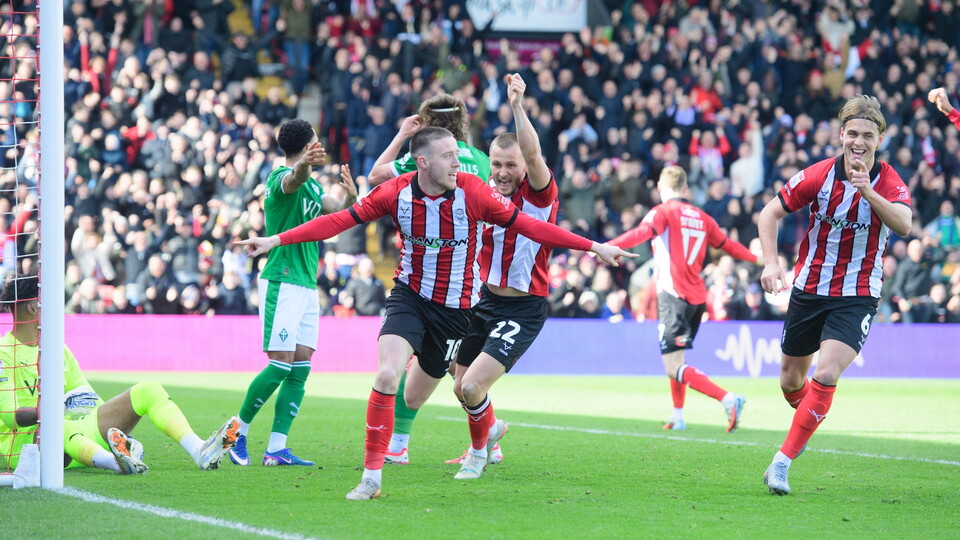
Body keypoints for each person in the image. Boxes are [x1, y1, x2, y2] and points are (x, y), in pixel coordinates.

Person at [236, 126, 634, 500]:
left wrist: (592, 246)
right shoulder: (395, 191)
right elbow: (338, 221)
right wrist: (275, 238)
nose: (458, 165)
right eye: (449, 157)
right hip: (409, 296)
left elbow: (531, 226)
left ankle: (485, 436)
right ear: (423, 162)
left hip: (456, 311)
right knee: (387, 374)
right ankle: (371, 477)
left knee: (438, 391)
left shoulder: (474, 192)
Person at [757, 95, 912, 495]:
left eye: (869, 136)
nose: (859, 142)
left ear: (880, 140)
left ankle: (781, 461)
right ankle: (808, 420)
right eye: (853, 133)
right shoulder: (819, 175)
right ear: (841, 134)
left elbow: (905, 224)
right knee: (791, 382)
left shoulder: (889, 181)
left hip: (857, 294)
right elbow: (768, 214)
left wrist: (868, 192)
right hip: (808, 288)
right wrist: (771, 263)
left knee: (825, 374)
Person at [0, 271, 239, 474]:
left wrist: (112, 430)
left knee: (149, 390)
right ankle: (117, 462)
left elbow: (87, 398)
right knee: (60, 425)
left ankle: (200, 451)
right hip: (24, 444)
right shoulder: (4, 354)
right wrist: (53, 407)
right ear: (32, 308)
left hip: (73, 434)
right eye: (47, 300)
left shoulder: (56, 349)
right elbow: (12, 418)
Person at [369, 94, 496, 466]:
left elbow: (376, 176)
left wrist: (402, 135)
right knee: (466, 371)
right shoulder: (480, 161)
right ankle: (489, 440)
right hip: (473, 275)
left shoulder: (425, 160)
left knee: (442, 370)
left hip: (431, 278)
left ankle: (401, 442)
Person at [445, 73, 560, 478]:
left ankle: (479, 455)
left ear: (524, 167)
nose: (503, 171)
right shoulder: (484, 193)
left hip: (523, 308)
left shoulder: (538, 194)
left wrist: (516, 107)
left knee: (474, 387)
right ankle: (492, 429)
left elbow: (532, 152)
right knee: (459, 386)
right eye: (496, 164)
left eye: (511, 164)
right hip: (484, 302)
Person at [228, 118, 357, 467]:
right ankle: (235, 432)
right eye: (315, 142)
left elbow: (335, 211)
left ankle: (276, 448)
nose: (320, 146)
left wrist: (351, 195)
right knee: (279, 365)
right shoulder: (279, 179)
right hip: (281, 279)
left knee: (300, 368)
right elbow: (292, 178)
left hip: (304, 284)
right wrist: (302, 165)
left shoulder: (315, 188)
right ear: (306, 146)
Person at [610, 165, 754, 433]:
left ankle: (728, 398)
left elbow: (642, 233)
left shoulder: (663, 211)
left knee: (673, 365)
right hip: (697, 298)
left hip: (674, 295)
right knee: (677, 360)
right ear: (686, 188)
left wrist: (610, 246)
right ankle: (678, 415)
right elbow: (728, 246)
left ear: (661, 189)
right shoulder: (703, 216)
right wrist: (758, 258)